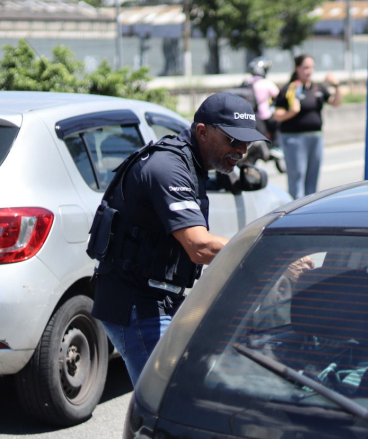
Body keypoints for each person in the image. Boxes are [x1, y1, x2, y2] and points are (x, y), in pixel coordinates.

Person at [88, 92, 270, 387]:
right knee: (166, 396)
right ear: (203, 132)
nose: (242, 150)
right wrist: (269, 251)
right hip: (136, 304)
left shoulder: (193, 164)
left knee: (186, 388)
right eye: (234, 140)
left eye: (247, 142)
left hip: (162, 298)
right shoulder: (168, 167)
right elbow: (199, 245)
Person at [273, 54, 343, 199]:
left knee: (313, 177)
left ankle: (309, 208)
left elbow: (335, 103)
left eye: (311, 67)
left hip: (316, 137)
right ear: (297, 68)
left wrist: (337, 86)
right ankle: (295, 208)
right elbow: (277, 115)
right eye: (305, 68)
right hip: (295, 138)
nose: (309, 71)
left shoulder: (318, 88)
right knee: (297, 176)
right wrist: (291, 112)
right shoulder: (290, 88)